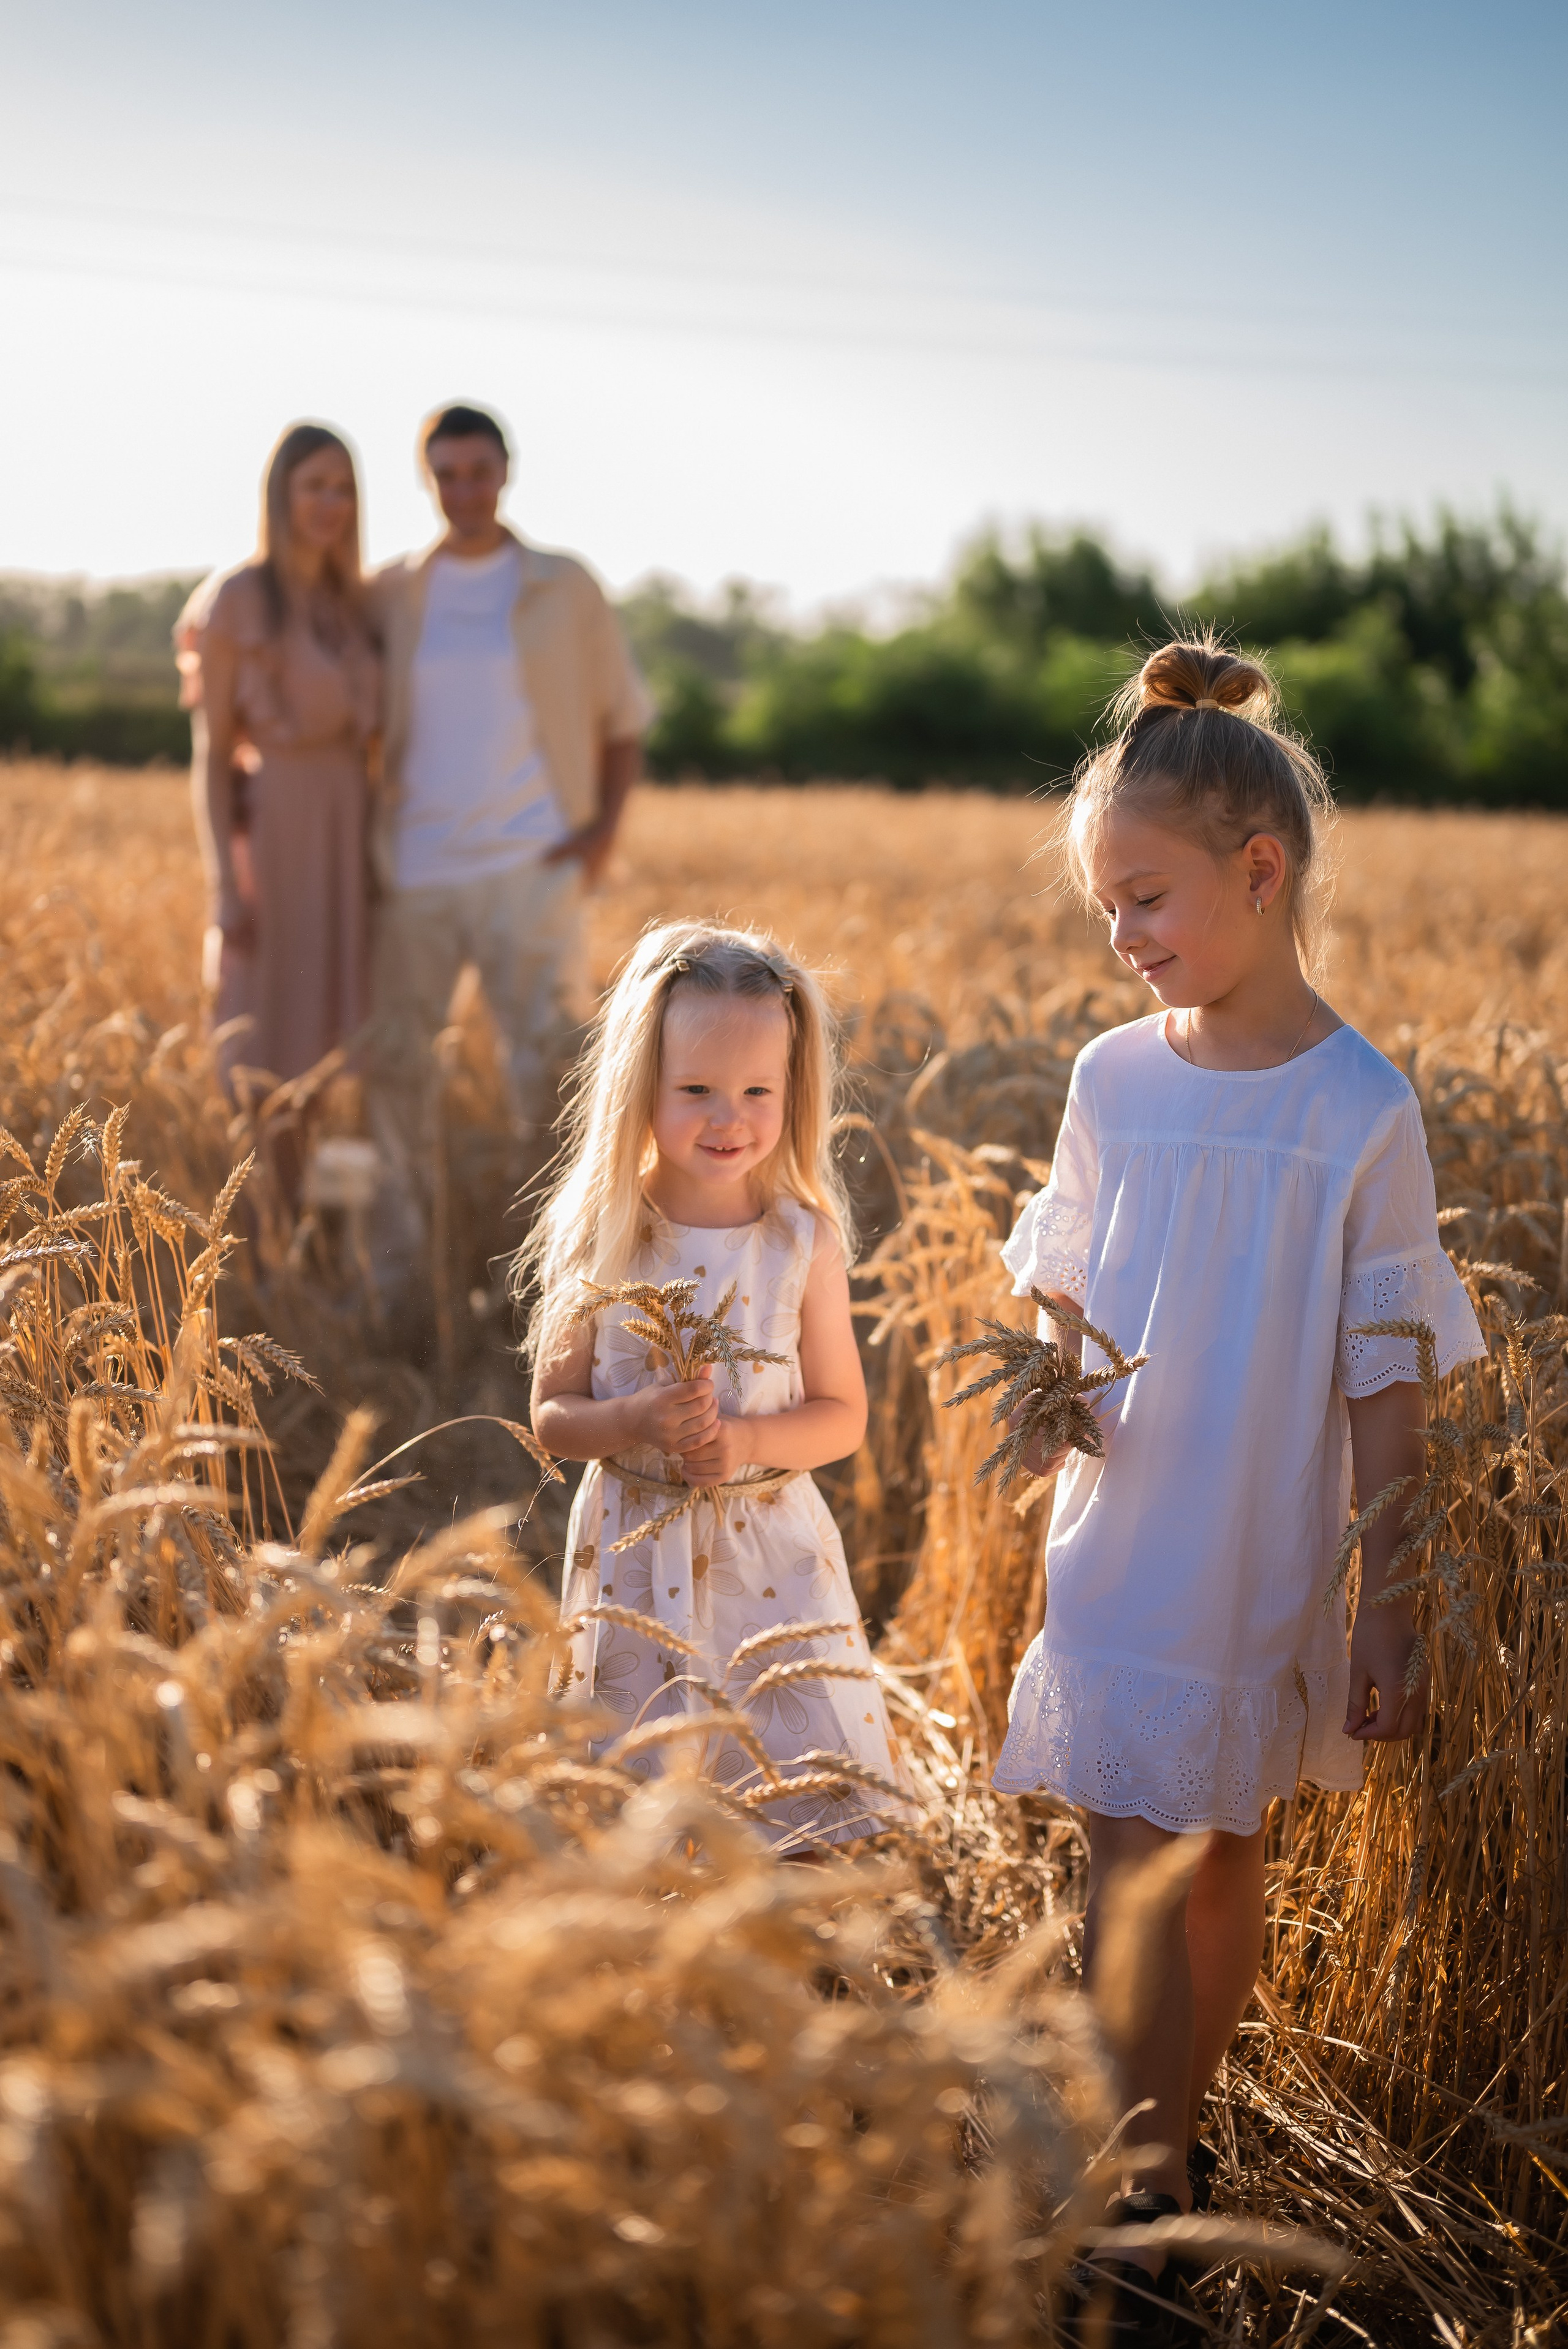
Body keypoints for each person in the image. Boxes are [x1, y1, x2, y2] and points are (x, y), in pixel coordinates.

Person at [993, 636, 1485, 2334]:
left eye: (1146, 901)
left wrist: (1394, 1603)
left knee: (1216, 1865)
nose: (1124, 942)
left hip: (1256, 1552)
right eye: (1108, 911)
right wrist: (1046, 1383)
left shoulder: (1362, 1110)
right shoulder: (1112, 1079)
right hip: (1124, 1536)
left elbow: (1391, 1379)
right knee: (1127, 1858)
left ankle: (1167, 2163)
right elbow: (1065, 1273)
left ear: (1257, 873)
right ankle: (1147, 2197)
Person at [525, 921, 907, 1847]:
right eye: (695, 1089)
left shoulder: (801, 1241)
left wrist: (745, 1443)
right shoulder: (606, 1233)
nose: (727, 1116)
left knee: (789, 1793)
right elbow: (552, 1416)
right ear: (638, 1091)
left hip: (771, 1556)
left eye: (756, 1091)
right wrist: (633, 1416)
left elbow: (842, 1415)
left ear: (793, 1092)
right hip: (634, 1550)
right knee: (639, 1797)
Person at [366, 402, 654, 1314]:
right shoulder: (391, 594)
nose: (464, 491)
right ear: (427, 480)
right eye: (445, 475)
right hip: (413, 874)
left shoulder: (563, 587)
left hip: (532, 867)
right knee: (396, 1075)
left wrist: (598, 836)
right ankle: (402, 1282)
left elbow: (623, 720)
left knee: (551, 1079)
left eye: (478, 472)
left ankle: (543, 1288)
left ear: (505, 471)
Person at [177, 423, 379, 1152]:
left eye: (344, 488)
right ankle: (257, 1234)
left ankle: (310, 1245)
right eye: (314, 486)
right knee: (264, 1029)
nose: (331, 503)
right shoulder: (237, 599)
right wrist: (225, 884)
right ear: (280, 494)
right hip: (276, 831)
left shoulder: (353, 602)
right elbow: (211, 754)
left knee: (327, 1040)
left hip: (347, 834)